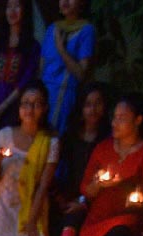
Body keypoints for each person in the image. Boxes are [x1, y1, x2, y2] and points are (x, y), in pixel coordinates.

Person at [74, 93, 143, 236]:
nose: (114, 123)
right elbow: (85, 189)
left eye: (122, 118)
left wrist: (130, 192)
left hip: (126, 219)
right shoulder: (103, 147)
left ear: (138, 120)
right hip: (98, 218)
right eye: (114, 117)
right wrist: (97, 185)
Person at [0, 83, 56, 236]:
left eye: (36, 104)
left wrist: (32, 220)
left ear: (45, 108)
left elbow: (43, 186)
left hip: (30, 207)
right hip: (3, 205)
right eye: (25, 104)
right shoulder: (4, 135)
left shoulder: (50, 141)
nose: (29, 109)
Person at [48, 83, 106, 236]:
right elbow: (58, 171)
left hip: (91, 197)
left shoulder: (106, 141)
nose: (92, 109)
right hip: (65, 194)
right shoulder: (70, 137)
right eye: (88, 104)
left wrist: (83, 202)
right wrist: (60, 198)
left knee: (75, 217)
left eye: (97, 104)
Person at [0, 0, 40, 131]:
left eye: (17, 6)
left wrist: (2, 107)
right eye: (9, 7)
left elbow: (25, 80)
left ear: (24, 10)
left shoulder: (32, 45)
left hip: (14, 104)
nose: (12, 11)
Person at [39, 0, 95, 136]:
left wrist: (61, 48)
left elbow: (81, 73)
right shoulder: (53, 28)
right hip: (43, 94)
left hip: (63, 95)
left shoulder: (86, 30)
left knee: (52, 140)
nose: (65, 2)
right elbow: (42, 66)